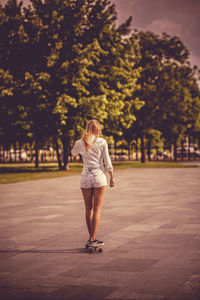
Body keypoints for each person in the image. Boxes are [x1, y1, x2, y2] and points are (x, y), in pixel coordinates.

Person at [71, 119, 114, 247]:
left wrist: (78, 147)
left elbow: (72, 153)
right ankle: (92, 239)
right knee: (97, 210)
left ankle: (92, 238)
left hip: (85, 176)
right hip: (98, 176)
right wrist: (111, 176)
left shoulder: (79, 142)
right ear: (98, 129)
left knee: (88, 209)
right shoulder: (102, 142)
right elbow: (108, 161)